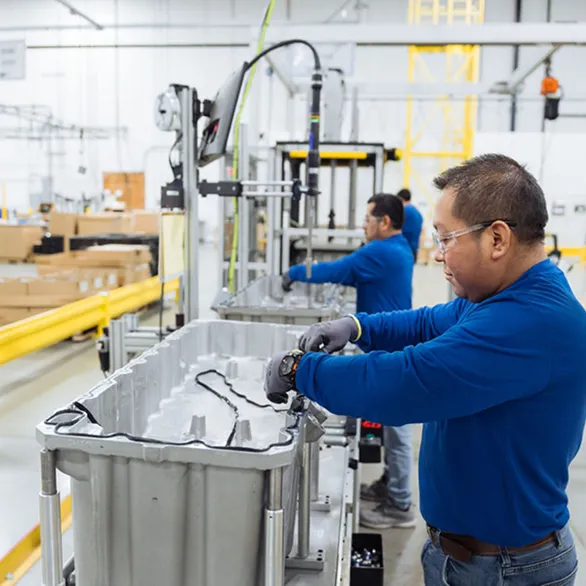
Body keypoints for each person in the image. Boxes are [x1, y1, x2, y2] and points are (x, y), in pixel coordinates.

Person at [265, 154, 586, 585]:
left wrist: (300, 369)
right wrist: (358, 326)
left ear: (497, 239)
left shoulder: (530, 322)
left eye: (446, 238)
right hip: (470, 556)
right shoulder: (501, 298)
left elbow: (406, 383)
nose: (437, 255)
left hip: (505, 571)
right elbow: (427, 321)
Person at [282, 193, 417, 528]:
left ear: (385, 222)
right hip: (392, 345)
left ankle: (401, 506)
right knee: (393, 425)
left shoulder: (380, 251)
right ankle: (392, 485)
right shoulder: (400, 247)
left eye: (368, 218)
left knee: (399, 430)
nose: (363, 224)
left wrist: (295, 271)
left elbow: (337, 270)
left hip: (391, 350)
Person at [397, 188, 424, 261]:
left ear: (400, 199)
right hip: (414, 249)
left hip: (403, 249)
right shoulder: (417, 213)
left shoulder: (404, 211)